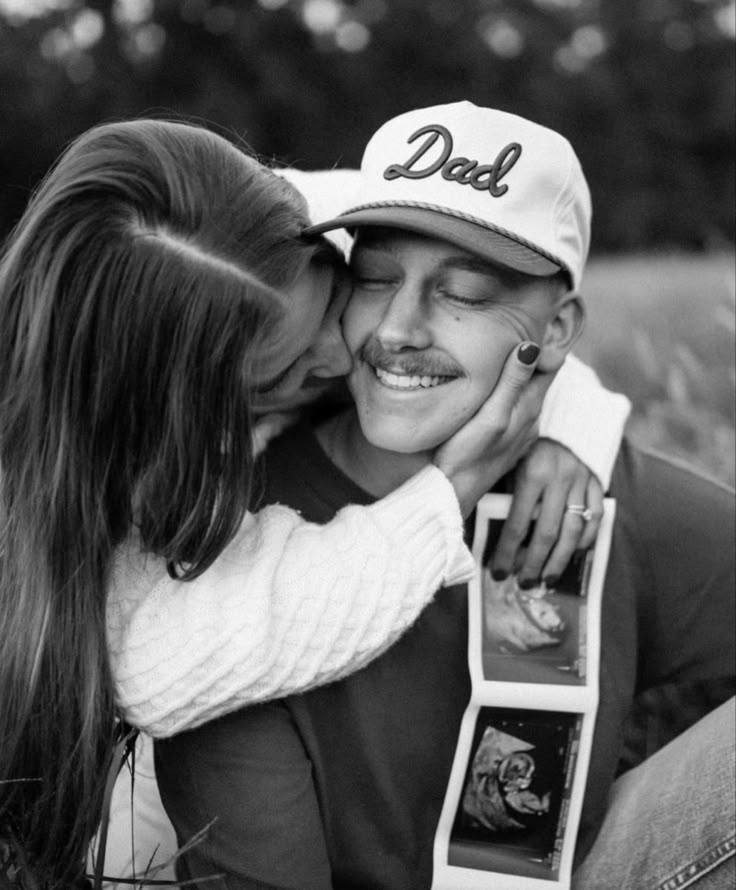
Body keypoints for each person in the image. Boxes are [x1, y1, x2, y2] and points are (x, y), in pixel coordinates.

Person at [0, 117, 624, 888]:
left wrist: (568, 423)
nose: (345, 353)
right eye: (283, 374)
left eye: (337, 296)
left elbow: (508, 302)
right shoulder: (99, 472)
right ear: (171, 419)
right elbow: (164, 666)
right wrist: (448, 492)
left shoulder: (301, 213)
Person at [154, 102, 736, 889]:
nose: (398, 328)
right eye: (374, 279)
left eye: (462, 293)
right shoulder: (243, 559)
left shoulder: (598, 498)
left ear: (558, 332)